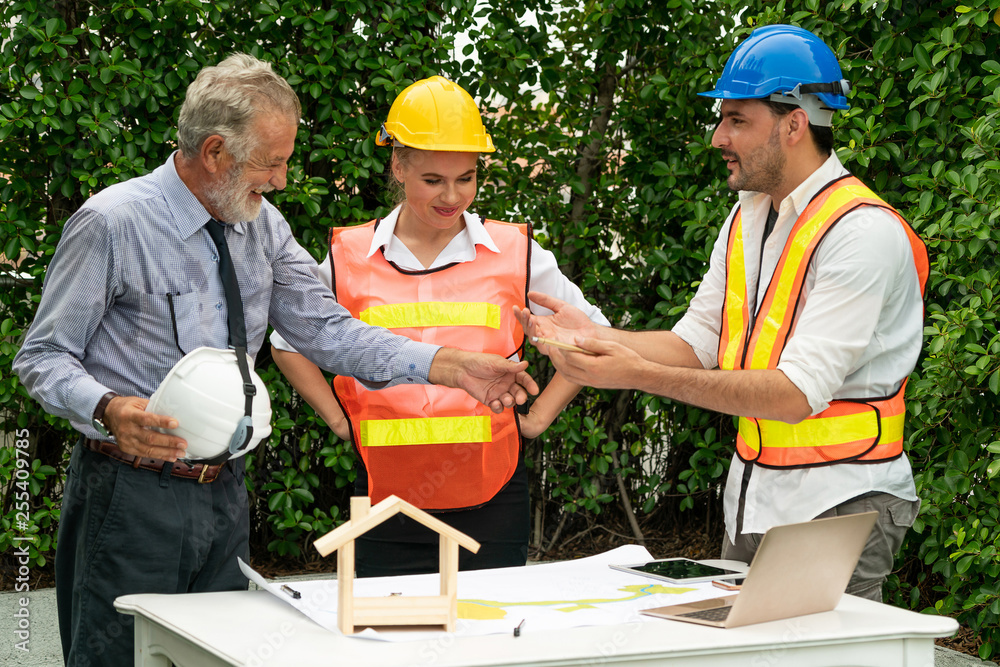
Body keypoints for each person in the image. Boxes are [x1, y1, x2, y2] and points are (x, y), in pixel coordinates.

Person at [12, 55, 537, 666]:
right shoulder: (112, 223)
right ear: (214, 152)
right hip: (130, 494)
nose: (284, 179)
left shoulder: (262, 226)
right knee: (119, 659)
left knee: (216, 657)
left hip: (225, 492)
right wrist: (107, 408)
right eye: (272, 162)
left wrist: (450, 365)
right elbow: (43, 356)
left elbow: (327, 331)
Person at [516, 24, 929, 602]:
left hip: (842, 501)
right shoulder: (747, 218)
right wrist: (598, 338)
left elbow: (793, 395)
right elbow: (697, 343)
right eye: (721, 118)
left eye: (737, 120)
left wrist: (636, 376)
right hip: (756, 501)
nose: (718, 137)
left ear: (794, 123)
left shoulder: (860, 233)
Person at [269, 76, 609, 577]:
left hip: (492, 498)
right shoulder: (350, 256)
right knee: (386, 644)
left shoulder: (514, 252)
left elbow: (592, 336)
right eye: (433, 180)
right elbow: (287, 341)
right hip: (383, 497)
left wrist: (537, 419)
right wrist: (339, 419)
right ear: (398, 165)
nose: (453, 197)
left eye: (466, 178)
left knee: (489, 642)